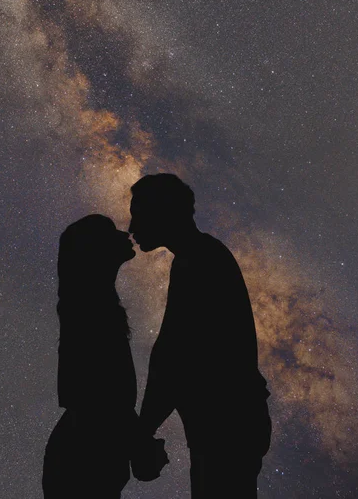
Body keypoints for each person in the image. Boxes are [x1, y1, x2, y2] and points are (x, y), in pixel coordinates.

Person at [129, 174, 272, 499]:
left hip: (227, 428)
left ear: (161, 212)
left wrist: (144, 429)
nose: (131, 227)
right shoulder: (201, 256)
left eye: (138, 214)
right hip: (232, 423)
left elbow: (172, 355)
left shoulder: (197, 261)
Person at [42, 214, 168, 498]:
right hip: (82, 462)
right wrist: (140, 445)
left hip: (79, 457)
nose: (126, 234)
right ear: (94, 249)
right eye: (112, 232)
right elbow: (96, 399)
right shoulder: (90, 310)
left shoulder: (92, 305)